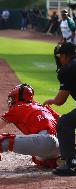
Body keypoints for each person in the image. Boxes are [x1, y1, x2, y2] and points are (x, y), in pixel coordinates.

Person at [43, 42, 76, 176]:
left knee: (64, 123)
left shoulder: (68, 69)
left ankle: (72, 163)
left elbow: (60, 101)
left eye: (60, 56)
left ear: (64, 56)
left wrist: (52, 101)